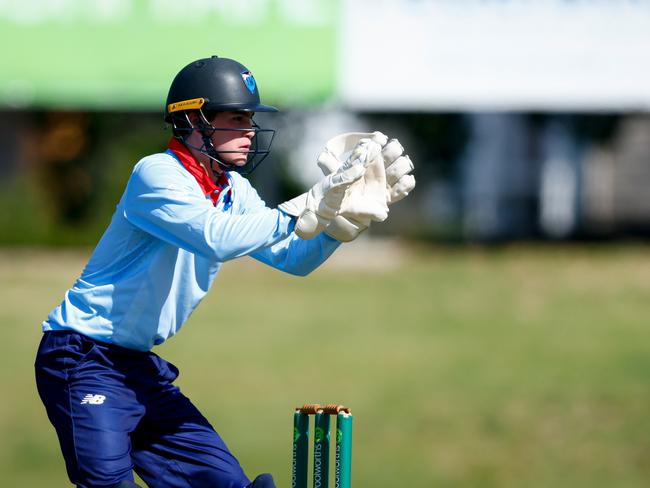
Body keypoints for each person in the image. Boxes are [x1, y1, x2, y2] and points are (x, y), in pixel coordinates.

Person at [34, 55, 415, 488]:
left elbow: (292, 257)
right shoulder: (157, 174)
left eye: (250, 119)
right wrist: (308, 204)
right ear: (195, 120)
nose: (250, 130)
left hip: (135, 366)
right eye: (237, 117)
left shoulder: (234, 189)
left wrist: (342, 226)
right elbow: (216, 237)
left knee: (225, 483)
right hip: (82, 357)